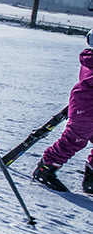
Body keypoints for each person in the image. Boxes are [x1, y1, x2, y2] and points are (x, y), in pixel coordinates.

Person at [32, 30, 93, 194]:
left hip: (86, 106)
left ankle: (91, 178)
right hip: (86, 109)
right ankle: (45, 169)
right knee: (74, 140)